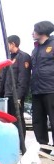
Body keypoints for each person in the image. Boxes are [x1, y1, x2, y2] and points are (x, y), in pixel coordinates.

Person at [30, 21, 54, 154]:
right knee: (38, 120)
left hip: (51, 89)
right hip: (37, 89)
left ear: (42, 31)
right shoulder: (35, 48)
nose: (32, 33)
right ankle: (43, 147)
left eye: (34, 30)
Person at [1, 35, 31, 139]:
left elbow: (23, 78)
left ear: (13, 44)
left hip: (16, 95)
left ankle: (21, 144)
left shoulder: (23, 57)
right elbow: (4, 78)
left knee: (18, 120)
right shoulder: (8, 58)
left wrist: (18, 96)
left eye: (7, 44)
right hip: (7, 94)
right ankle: (12, 142)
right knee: (9, 121)